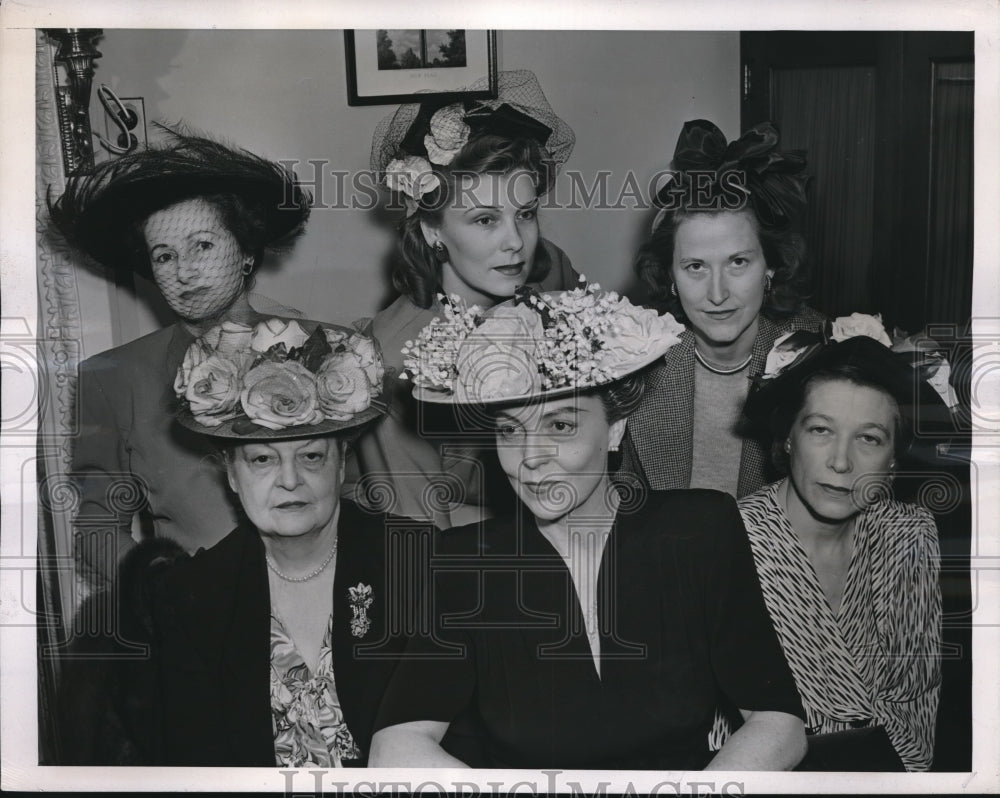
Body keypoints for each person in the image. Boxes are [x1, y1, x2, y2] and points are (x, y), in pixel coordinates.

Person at [368, 283, 808, 770]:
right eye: (510, 430)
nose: (531, 459)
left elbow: (778, 721)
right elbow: (397, 745)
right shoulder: (465, 562)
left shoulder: (699, 532)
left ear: (615, 427)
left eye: (560, 426)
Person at [58, 316, 406, 766]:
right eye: (262, 459)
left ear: (342, 464)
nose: (289, 480)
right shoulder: (192, 597)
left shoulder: (410, 558)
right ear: (231, 475)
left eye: (312, 455)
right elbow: (197, 762)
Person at [48, 132, 311, 588]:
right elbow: (97, 527)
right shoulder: (111, 379)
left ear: (247, 253)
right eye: (164, 256)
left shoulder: (328, 351)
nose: (184, 271)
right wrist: (165, 594)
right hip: (202, 623)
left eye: (203, 246)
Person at [346, 69, 580, 529]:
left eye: (526, 214)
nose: (515, 242)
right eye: (485, 220)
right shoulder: (390, 361)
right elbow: (420, 532)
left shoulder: (553, 272)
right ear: (433, 230)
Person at [724, 325, 944, 771]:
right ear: (788, 438)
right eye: (821, 430)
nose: (841, 462)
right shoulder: (725, 541)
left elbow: (918, 701)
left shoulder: (911, 534)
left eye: (869, 438)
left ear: (893, 459)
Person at [621, 118, 825, 498]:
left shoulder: (816, 352)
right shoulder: (633, 359)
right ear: (669, 275)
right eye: (695, 266)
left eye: (738, 263)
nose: (717, 294)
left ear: (772, 266)